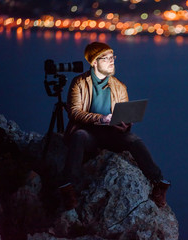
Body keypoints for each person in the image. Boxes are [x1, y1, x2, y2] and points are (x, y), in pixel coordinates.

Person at [59, 42, 170, 210]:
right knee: (79, 136)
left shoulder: (119, 86)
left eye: (113, 58)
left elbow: (122, 116)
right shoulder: (79, 83)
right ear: (94, 62)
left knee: (134, 139)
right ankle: (68, 187)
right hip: (88, 132)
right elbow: (74, 112)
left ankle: (158, 182)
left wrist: (124, 123)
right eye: (107, 58)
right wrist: (101, 119)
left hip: (111, 134)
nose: (112, 61)